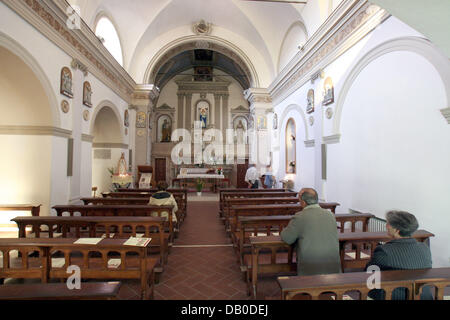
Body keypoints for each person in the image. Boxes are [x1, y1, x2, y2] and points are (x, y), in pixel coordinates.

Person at [365, 210, 432, 300]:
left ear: (397, 230)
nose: (386, 226)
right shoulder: (424, 248)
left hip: (393, 296)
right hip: (422, 295)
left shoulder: (384, 250)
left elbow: (369, 273)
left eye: (388, 224)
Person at [281, 188, 341, 276]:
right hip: (333, 264)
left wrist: (284, 230)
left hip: (310, 267)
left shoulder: (300, 217)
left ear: (303, 202)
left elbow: (287, 238)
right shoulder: (330, 215)